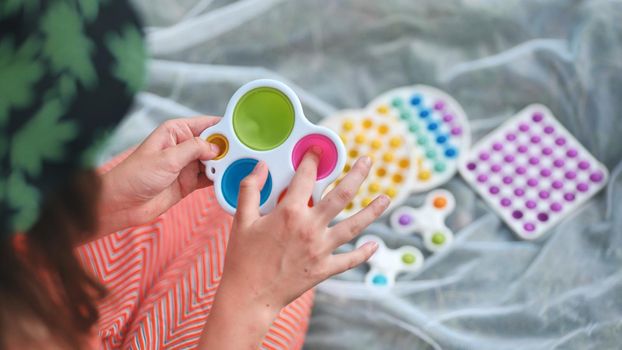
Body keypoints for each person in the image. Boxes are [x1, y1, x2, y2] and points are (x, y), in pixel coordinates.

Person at [0, 1, 387, 349]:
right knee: (277, 243)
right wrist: (253, 297)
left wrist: (104, 205)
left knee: (226, 206)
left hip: (31, 273)